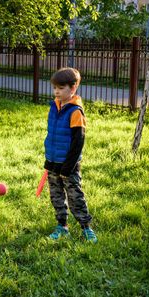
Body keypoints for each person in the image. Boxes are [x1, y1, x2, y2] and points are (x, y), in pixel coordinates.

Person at [43, 67, 97, 243]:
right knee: (56, 195)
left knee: (75, 196)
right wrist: (48, 160)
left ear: (72, 88)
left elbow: (78, 142)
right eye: (55, 88)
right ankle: (62, 226)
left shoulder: (75, 111)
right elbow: (52, 135)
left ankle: (86, 227)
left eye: (60, 88)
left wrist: (68, 167)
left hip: (68, 165)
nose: (56, 91)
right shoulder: (55, 106)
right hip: (53, 161)